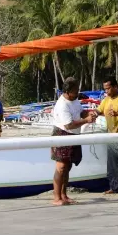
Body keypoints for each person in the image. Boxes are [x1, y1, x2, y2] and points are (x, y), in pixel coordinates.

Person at [51, 77, 96, 206]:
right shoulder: (62, 105)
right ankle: (56, 198)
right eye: (75, 91)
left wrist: (88, 114)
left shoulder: (74, 100)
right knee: (61, 167)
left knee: (68, 166)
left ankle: (64, 195)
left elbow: (80, 112)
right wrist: (86, 120)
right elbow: (69, 125)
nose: (77, 93)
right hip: (62, 134)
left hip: (74, 135)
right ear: (67, 91)